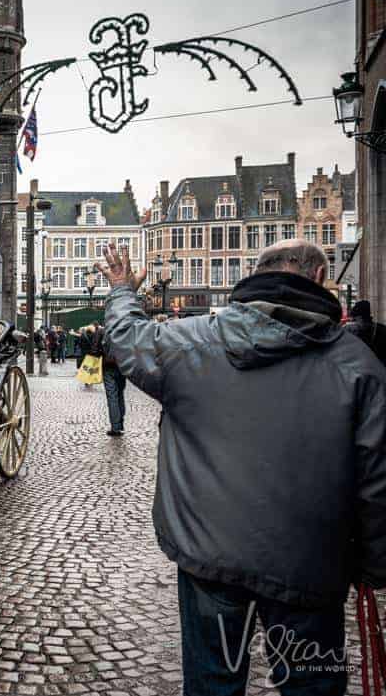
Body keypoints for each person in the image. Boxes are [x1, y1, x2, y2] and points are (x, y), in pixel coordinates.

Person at [98, 239, 386, 696]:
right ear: (317, 279)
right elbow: (377, 482)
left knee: (213, 683)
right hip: (309, 565)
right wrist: (374, 565)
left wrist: (120, 290)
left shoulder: (189, 341)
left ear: (254, 274)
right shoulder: (358, 366)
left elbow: (128, 339)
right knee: (311, 687)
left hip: (209, 554)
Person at [99, 326, 126, 437]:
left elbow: (97, 348)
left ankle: (115, 427)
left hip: (108, 366)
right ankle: (120, 424)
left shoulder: (104, 331)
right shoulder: (124, 330)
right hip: (122, 366)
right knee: (120, 394)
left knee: (112, 397)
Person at [348, 300, 386, 366]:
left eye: (354, 320)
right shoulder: (382, 329)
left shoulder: (355, 333)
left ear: (360, 318)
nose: (353, 323)